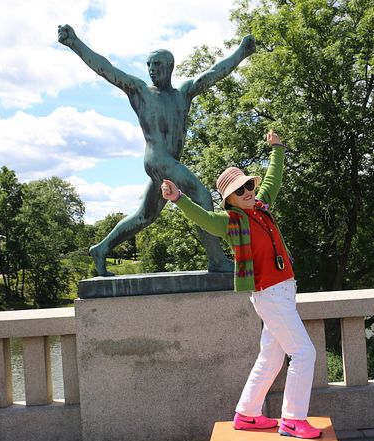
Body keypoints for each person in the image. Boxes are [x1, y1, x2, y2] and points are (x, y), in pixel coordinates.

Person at [57, 24, 256, 276]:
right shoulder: (140, 91)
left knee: (145, 216)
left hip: (167, 162)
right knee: (202, 196)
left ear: (169, 67)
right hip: (157, 159)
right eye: (149, 65)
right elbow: (106, 69)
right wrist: (74, 43)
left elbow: (214, 73)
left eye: (157, 65)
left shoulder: (183, 93)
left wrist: (241, 52)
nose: (152, 70)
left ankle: (101, 248)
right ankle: (216, 259)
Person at [160, 130, 322, 439]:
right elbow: (204, 217)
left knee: (272, 357)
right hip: (269, 295)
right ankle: (292, 418)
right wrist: (178, 198)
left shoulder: (261, 208)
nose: (248, 191)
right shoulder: (231, 222)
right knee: (303, 353)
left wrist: (277, 149)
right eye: (240, 190)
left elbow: (273, 179)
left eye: (249, 185)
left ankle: (247, 414)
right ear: (230, 199)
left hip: (285, 290)